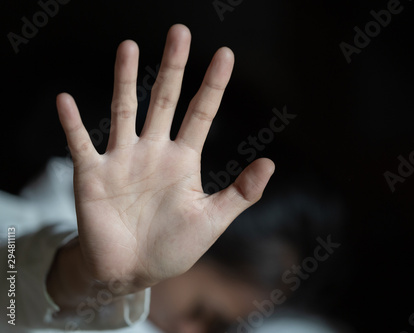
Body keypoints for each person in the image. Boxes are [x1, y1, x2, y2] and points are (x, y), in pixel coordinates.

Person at [0, 24, 342, 332]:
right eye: (201, 311)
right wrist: (79, 275)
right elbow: (11, 298)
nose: (189, 331)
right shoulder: (17, 232)